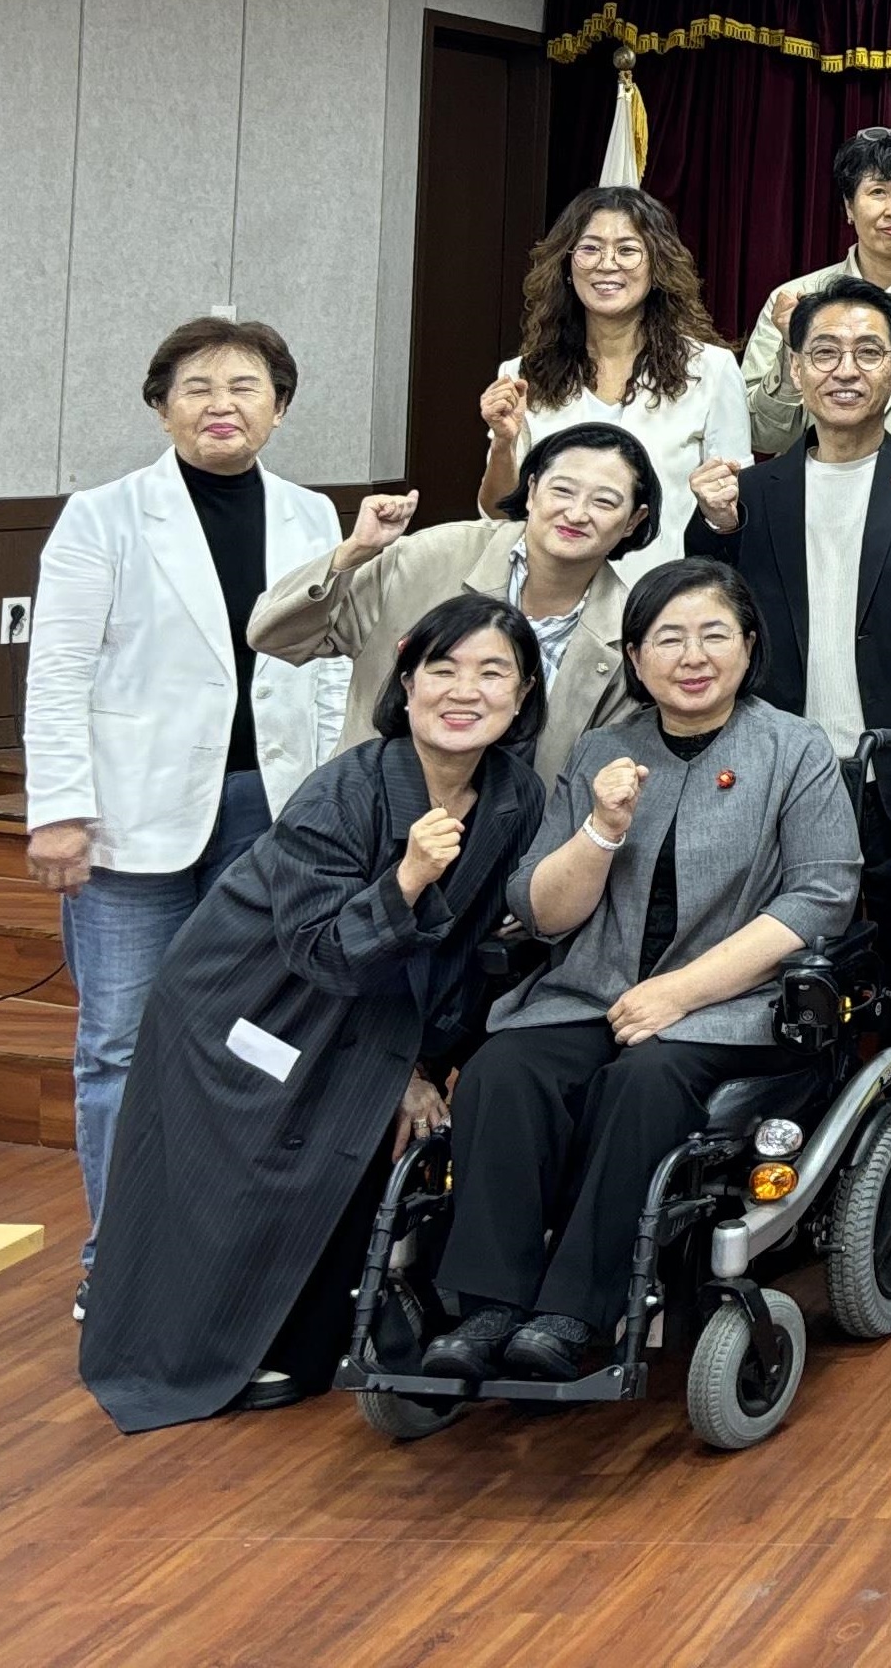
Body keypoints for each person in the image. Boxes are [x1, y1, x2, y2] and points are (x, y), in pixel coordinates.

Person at [78, 596, 548, 1430]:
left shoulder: (515, 795)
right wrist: (404, 880)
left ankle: (311, 1332)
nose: (462, 690)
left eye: (491, 672)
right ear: (405, 686)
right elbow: (322, 950)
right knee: (247, 1174)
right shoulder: (345, 789)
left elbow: (469, 952)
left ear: (523, 697)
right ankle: (190, 1348)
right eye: (441, 669)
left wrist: (422, 1063)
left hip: (370, 1010)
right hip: (250, 1000)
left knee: (351, 1152)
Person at [416, 560, 858, 1384]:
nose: (692, 656)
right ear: (634, 655)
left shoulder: (793, 750)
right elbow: (541, 909)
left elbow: (820, 898)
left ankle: (574, 1309)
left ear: (748, 646)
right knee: (503, 1069)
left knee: (645, 1079)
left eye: (713, 635)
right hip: (588, 992)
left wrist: (679, 991)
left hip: (731, 1005)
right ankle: (487, 1306)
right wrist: (602, 829)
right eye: (668, 638)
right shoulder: (601, 752)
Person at [27, 317, 353, 1281]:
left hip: (273, 810)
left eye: (246, 386)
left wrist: (332, 797)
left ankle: (226, 1250)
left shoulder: (311, 516)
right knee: (120, 1046)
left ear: (280, 408)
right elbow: (57, 674)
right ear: (163, 405)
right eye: (199, 386)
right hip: (131, 818)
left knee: (249, 1036)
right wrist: (57, 808)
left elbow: (331, 669)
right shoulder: (102, 514)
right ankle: (119, 1257)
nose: (222, 404)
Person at [680, 275, 891, 1254]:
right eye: (824, 351)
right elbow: (710, 619)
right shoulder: (755, 491)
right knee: (774, 971)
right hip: (779, 779)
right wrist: (710, 529)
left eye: (868, 351)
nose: (845, 369)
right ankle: (782, 1161)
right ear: (794, 368)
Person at [253, 423, 659, 780]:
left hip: (515, 845)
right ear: (532, 490)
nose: (576, 513)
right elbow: (275, 636)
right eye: (562, 491)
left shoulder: (627, 631)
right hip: (372, 818)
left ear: (634, 521)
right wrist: (354, 552)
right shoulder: (430, 556)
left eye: (604, 502)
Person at [472, 188, 749, 589]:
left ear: (657, 266)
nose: (607, 265)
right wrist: (502, 442)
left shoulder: (711, 369)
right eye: (589, 249)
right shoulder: (521, 373)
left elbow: (734, 509)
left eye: (627, 250)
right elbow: (499, 515)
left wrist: (720, 506)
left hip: (663, 599)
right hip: (546, 598)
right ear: (567, 266)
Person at [744, 127, 891, 458]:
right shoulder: (794, 298)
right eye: (878, 192)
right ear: (849, 208)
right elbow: (762, 436)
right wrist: (789, 347)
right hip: (817, 496)